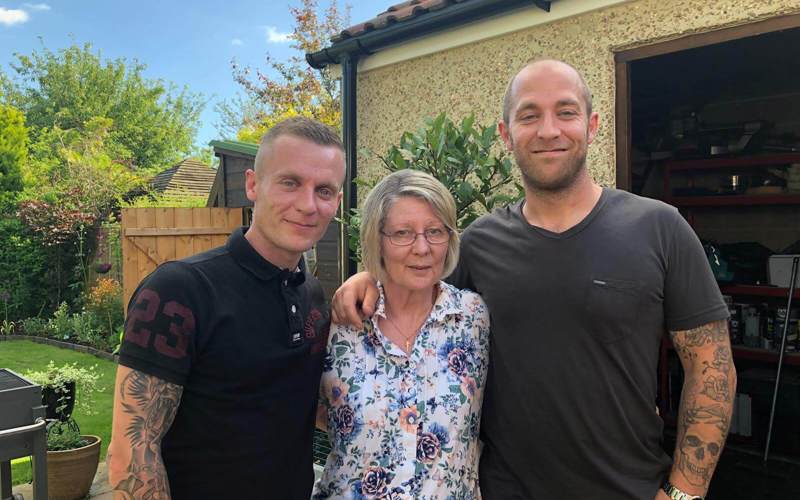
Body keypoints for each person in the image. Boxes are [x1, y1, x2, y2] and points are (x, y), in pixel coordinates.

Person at [331, 59, 736, 500]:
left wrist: (683, 493)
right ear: (506, 134)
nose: (548, 130)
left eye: (565, 112)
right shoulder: (480, 242)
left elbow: (711, 367)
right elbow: (420, 283)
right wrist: (369, 275)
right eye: (529, 115)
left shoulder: (660, 228)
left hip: (628, 489)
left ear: (592, 125)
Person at [107, 116, 346, 499]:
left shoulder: (313, 295)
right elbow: (132, 454)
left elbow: (304, 405)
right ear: (252, 185)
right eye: (290, 182)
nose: (307, 204)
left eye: (324, 190)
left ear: (336, 201)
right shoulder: (179, 292)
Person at [313, 169, 490, 499]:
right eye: (402, 233)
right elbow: (314, 414)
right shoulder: (339, 325)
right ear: (376, 240)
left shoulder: (475, 317)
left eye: (435, 231)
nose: (422, 248)